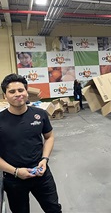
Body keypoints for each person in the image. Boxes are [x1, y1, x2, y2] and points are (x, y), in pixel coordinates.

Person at [0, 74, 62, 213]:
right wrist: (16, 171)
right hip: (14, 179)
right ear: (5, 96)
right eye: (12, 91)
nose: (18, 94)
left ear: (26, 92)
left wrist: (44, 159)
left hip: (41, 174)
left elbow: (49, 136)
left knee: (54, 209)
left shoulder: (40, 114)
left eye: (21, 90)